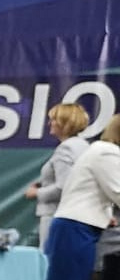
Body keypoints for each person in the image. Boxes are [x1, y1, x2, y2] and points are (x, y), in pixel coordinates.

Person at [41, 117, 120, 280]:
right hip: (75, 229)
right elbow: (117, 191)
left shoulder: (100, 151)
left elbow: (91, 190)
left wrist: (105, 214)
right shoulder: (107, 153)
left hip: (78, 227)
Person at [25, 102, 91, 248]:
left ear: (64, 123)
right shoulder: (84, 146)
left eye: (54, 120)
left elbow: (63, 186)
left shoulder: (65, 149)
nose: (50, 123)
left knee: (50, 258)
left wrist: (36, 193)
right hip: (76, 216)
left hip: (56, 216)